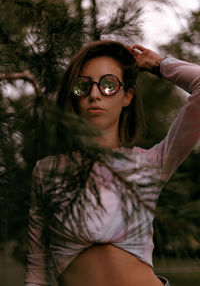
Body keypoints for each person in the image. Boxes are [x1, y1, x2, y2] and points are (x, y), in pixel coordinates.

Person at [24, 40, 200, 286]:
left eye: (108, 85)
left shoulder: (150, 165)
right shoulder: (48, 171)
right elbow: (37, 268)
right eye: (82, 86)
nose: (94, 94)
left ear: (127, 96)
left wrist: (158, 64)